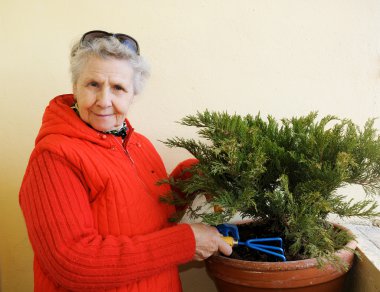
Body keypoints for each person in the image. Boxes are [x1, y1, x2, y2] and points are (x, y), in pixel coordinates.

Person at [19, 30, 232, 292]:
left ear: (133, 94)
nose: (104, 100)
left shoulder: (138, 144)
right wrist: (185, 243)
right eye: (93, 84)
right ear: (75, 86)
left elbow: (151, 214)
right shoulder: (54, 158)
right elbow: (73, 263)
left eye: (118, 88)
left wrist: (195, 177)